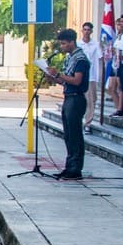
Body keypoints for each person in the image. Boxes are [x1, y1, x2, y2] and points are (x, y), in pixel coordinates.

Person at [42, 27, 90, 180]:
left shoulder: (80, 59)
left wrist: (59, 74)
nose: (61, 47)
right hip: (68, 96)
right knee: (68, 135)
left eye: (63, 44)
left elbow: (77, 80)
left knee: (75, 135)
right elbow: (66, 81)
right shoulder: (70, 58)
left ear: (71, 42)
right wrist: (54, 78)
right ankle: (69, 166)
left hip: (77, 98)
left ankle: (76, 168)